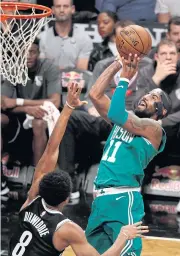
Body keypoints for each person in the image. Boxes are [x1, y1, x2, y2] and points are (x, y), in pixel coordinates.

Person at [9, 82, 149, 256]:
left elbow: (51, 148)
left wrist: (68, 107)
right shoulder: (67, 229)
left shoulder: (31, 200)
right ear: (67, 199)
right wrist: (122, 237)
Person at [85, 54, 172, 256]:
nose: (146, 97)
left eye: (154, 98)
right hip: (100, 199)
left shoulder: (154, 129)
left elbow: (116, 114)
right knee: (91, 253)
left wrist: (124, 79)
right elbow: (95, 95)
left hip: (123, 198)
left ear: (162, 111)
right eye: (147, 94)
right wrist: (117, 64)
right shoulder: (127, 119)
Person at [1, 38, 61, 166]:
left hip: (45, 115)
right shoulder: (13, 69)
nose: (28, 56)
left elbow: (55, 102)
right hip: (20, 117)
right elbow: (3, 102)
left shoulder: (50, 68)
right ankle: (2, 175)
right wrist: (26, 109)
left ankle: (36, 175)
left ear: (39, 53)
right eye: (24, 52)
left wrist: (19, 101)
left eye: (32, 52)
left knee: (38, 123)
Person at [39, 0, 93, 70]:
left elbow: (81, 72)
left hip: (73, 80)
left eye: (66, 6)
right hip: (49, 80)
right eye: (58, 6)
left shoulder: (84, 39)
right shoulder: (43, 37)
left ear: (73, 9)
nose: (61, 10)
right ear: (53, 10)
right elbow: (42, 70)